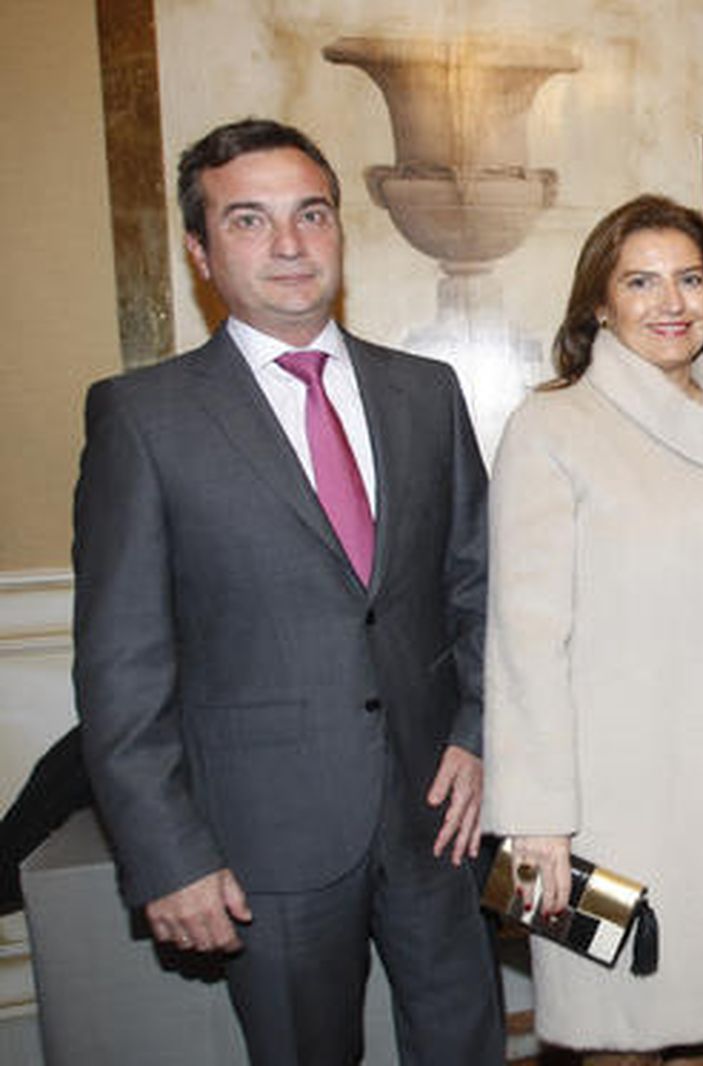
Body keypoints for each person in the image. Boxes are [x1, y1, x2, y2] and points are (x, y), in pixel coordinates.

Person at [72, 118, 503, 1064]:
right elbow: (120, 668)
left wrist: (478, 731)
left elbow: (477, 591)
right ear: (199, 249)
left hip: (439, 818)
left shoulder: (426, 394)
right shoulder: (144, 419)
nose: (290, 245)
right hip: (265, 840)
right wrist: (168, 855)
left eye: (311, 214)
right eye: (249, 221)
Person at [482, 195, 703, 1059]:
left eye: (691, 278)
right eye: (641, 281)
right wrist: (536, 823)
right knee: (620, 1037)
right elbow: (525, 642)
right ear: (600, 302)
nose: (672, 302)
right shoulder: (553, 428)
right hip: (605, 807)